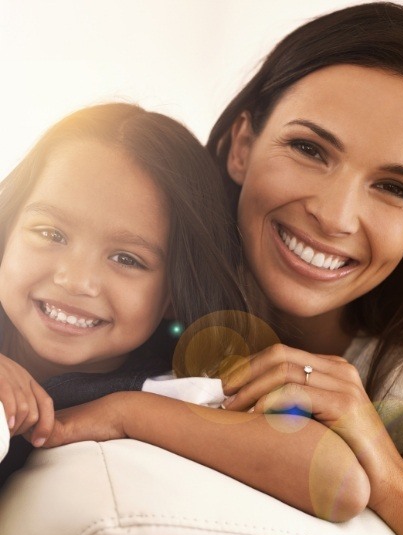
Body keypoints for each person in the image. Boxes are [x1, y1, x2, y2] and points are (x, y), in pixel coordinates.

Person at [39, 2, 403, 535]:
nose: (334, 216)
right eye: (309, 149)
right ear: (242, 146)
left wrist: (384, 464)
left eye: (394, 188)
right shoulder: (137, 275)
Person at [0, 101, 249, 481]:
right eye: (51, 234)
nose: (76, 280)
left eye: (126, 259)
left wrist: (126, 413)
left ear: (172, 295)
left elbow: (329, 471)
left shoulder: (164, 390)